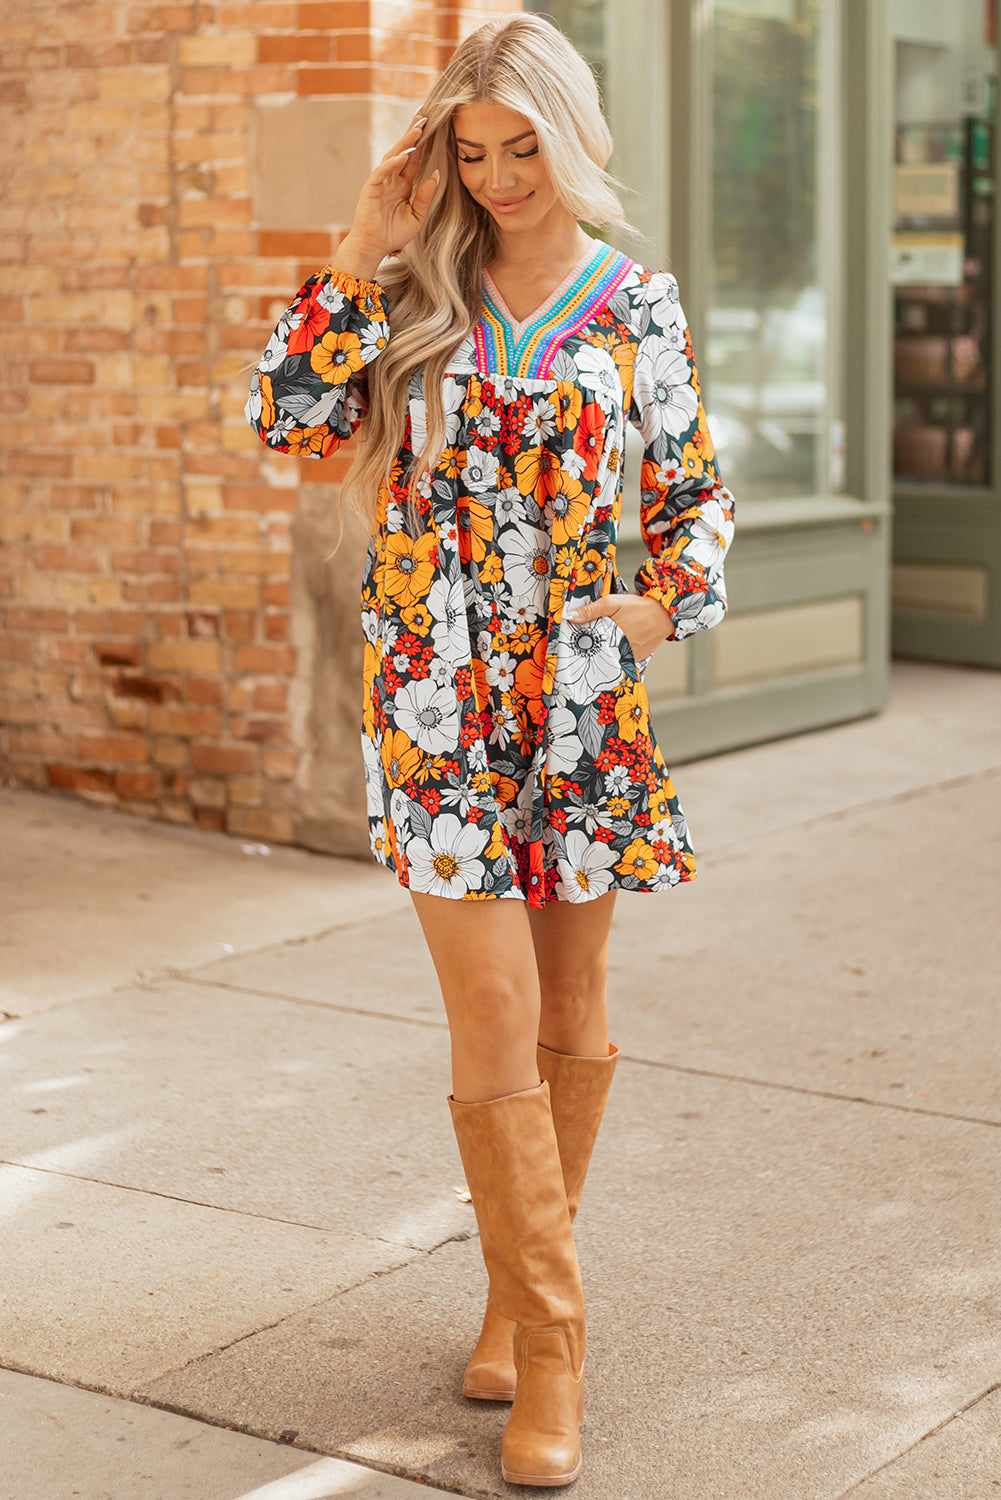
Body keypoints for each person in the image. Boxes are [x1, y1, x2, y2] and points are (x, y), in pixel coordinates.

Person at [247, 13, 734, 1488]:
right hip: (434, 690)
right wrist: (361, 242)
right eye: (471, 154)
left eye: (523, 148)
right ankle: (562, 1343)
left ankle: (513, 1306)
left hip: (575, 695)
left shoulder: (636, 307)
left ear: (571, 139)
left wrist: (658, 606)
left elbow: (693, 496)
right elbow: (290, 428)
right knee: (493, 1003)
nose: (500, 178)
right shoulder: (412, 290)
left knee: (571, 1006)